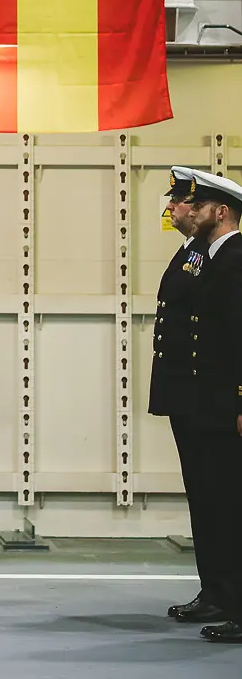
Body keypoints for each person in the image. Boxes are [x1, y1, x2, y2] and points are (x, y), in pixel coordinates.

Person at [149, 166, 242, 643]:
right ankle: (217, 591)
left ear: (219, 211)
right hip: (194, 401)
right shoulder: (197, 256)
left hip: (222, 403)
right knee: (207, 502)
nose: (175, 210)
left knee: (229, 504)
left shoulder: (236, 259)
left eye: (188, 203)